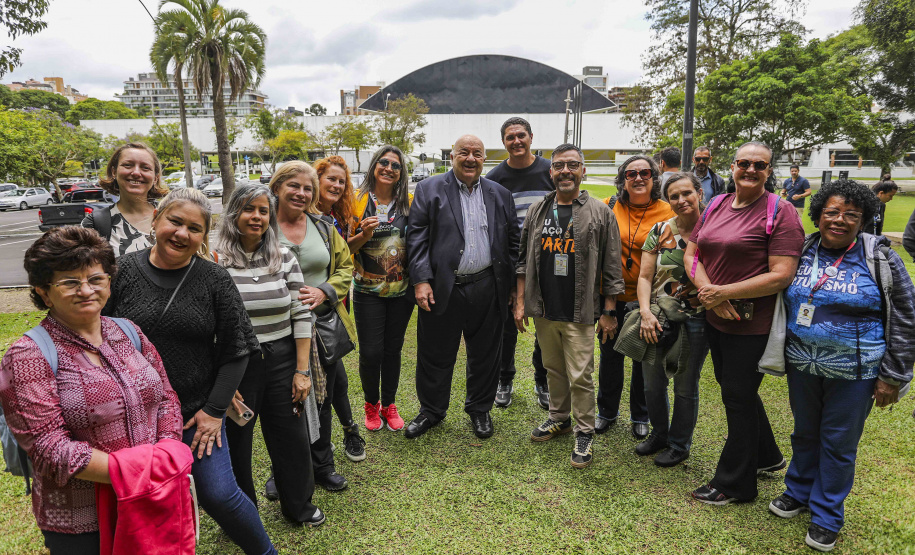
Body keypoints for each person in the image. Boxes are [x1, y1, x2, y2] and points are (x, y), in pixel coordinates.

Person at [103, 188, 282, 552]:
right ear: (156, 220)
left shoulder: (214, 279)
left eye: (195, 228)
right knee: (141, 502)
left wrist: (214, 412)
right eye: (175, 221)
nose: (182, 233)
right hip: (131, 417)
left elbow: (238, 348)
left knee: (219, 494)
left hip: (193, 414)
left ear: (204, 236)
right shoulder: (120, 273)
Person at [0, 227, 182, 554]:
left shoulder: (128, 332)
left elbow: (166, 397)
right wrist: (143, 469)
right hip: (82, 523)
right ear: (44, 291)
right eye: (70, 282)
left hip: (151, 497)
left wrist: (166, 449)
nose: (86, 290)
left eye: (96, 278)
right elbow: (48, 448)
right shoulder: (28, 355)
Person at [768, 180, 915, 552]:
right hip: (803, 364)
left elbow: (905, 317)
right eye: (832, 212)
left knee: (838, 442)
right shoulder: (802, 250)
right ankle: (798, 492)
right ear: (818, 214)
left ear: (863, 219)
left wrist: (893, 375)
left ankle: (827, 514)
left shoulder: (879, 257)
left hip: (857, 372)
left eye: (851, 214)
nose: (840, 220)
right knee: (804, 432)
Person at [683, 141, 805, 506]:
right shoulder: (717, 203)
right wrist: (710, 292)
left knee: (736, 396)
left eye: (760, 165)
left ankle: (735, 484)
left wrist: (724, 293)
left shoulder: (781, 212)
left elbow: (782, 275)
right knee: (734, 388)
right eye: (744, 163)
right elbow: (692, 253)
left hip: (752, 324)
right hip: (716, 316)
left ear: (769, 170)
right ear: (733, 166)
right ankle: (767, 455)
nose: (750, 170)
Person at [214, 183, 325, 526]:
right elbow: (210, 323)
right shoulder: (215, 258)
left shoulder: (284, 255)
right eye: (249, 209)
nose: (257, 217)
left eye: (263, 210)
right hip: (235, 363)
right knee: (237, 441)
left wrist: (302, 371)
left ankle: (299, 506)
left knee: (291, 436)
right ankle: (241, 515)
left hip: (281, 358)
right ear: (234, 213)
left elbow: (300, 313)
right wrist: (221, 381)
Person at [514, 144, 623, 468]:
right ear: (551, 172)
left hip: (580, 310)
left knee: (581, 376)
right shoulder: (538, 209)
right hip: (546, 309)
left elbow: (612, 266)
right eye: (559, 165)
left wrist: (608, 311)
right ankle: (559, 418)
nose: (565, 171)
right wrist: (520, 303)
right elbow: (522, 261)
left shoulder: (600, 212)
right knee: (554, 369)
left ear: (582, 170)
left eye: (572, 165)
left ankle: (584, 430)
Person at [405, 134, 520, 439]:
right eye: (464, 153)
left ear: (485, 159)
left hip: (487, 285)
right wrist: (421, 280)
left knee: (485, 354)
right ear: (452, 156)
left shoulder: (500, 194)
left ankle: (479, 410)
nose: (471, 158)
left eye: (477, 154)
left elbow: (512, 244)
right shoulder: (429, 189)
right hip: (443, 287)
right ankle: (431, 410)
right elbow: (415, 237)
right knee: (435, 353)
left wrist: (509, 287)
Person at [271, 161, 356, 492]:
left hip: (321, 329)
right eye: (294, 186)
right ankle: (283, 472)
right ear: (277, 187)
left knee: (321, 399)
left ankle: (323, 464)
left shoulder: (323, 227)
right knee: (281, 405)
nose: (301, 193)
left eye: (308, 188)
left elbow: (346, 265)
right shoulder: (261, 225)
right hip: (275, 331)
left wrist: (325, 291)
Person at [597, 155, 675, 439]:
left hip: (650, 301)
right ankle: (606, 411)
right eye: (631, 174)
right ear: (623, 180)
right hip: (612, 297)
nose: (638, 178)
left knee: (644, 359)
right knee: (610, 356)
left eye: (645, 173)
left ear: (654, 178)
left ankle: (640, 415)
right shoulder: (608, 206)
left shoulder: (667, 211)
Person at [635, 173, 710, 467]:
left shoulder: (714, 229)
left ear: (699, 193)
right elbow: (644, 276)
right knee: (652, 382)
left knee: (685, 384)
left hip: (697, 319)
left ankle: (679, 444)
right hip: (659, 317)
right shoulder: (660, 230)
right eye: (674, 196)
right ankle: (659, 435)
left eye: (686, 193)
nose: (681, 200)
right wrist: (644, 311)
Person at [346, 147, 415, 434]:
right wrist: (363, 234)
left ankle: (389, 404)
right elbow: (342, 249)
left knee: (392, 350)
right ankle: (371, 404)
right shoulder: (356, 202)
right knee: (371, 352)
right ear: (374, 166)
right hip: (367, 291)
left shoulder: (409, 203)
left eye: (395, 166)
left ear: (402, 173)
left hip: (401, 292)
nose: (388, 168)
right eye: (383, 163)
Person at [486, 117, 552, 410]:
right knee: (505, 326)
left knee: (545, 325)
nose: (516, 141)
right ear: (504, 142)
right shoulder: (494, 178)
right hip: (509, 261)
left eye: (521, 135)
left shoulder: (550, 170)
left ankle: (543, 380)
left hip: (549, 260)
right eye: (510, 137)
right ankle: (504, 378)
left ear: (531, 138)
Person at [313, 155, 365, 461]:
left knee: (334, 374)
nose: (336, 185)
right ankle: (341, 434)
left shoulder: (336, 217)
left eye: (341, 181)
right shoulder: (298, 216)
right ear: (315, 179)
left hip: (334, 304)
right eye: (330, 178)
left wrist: (364, 236)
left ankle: (339, 435)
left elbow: (345, 258)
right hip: (309, 309)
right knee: (331, 379)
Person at [82, 142, 168, 257]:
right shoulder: (95, 223)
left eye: (145, 168)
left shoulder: (172, 216)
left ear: (155, 178)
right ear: (114, 172)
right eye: (128, 165)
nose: (136, 173)